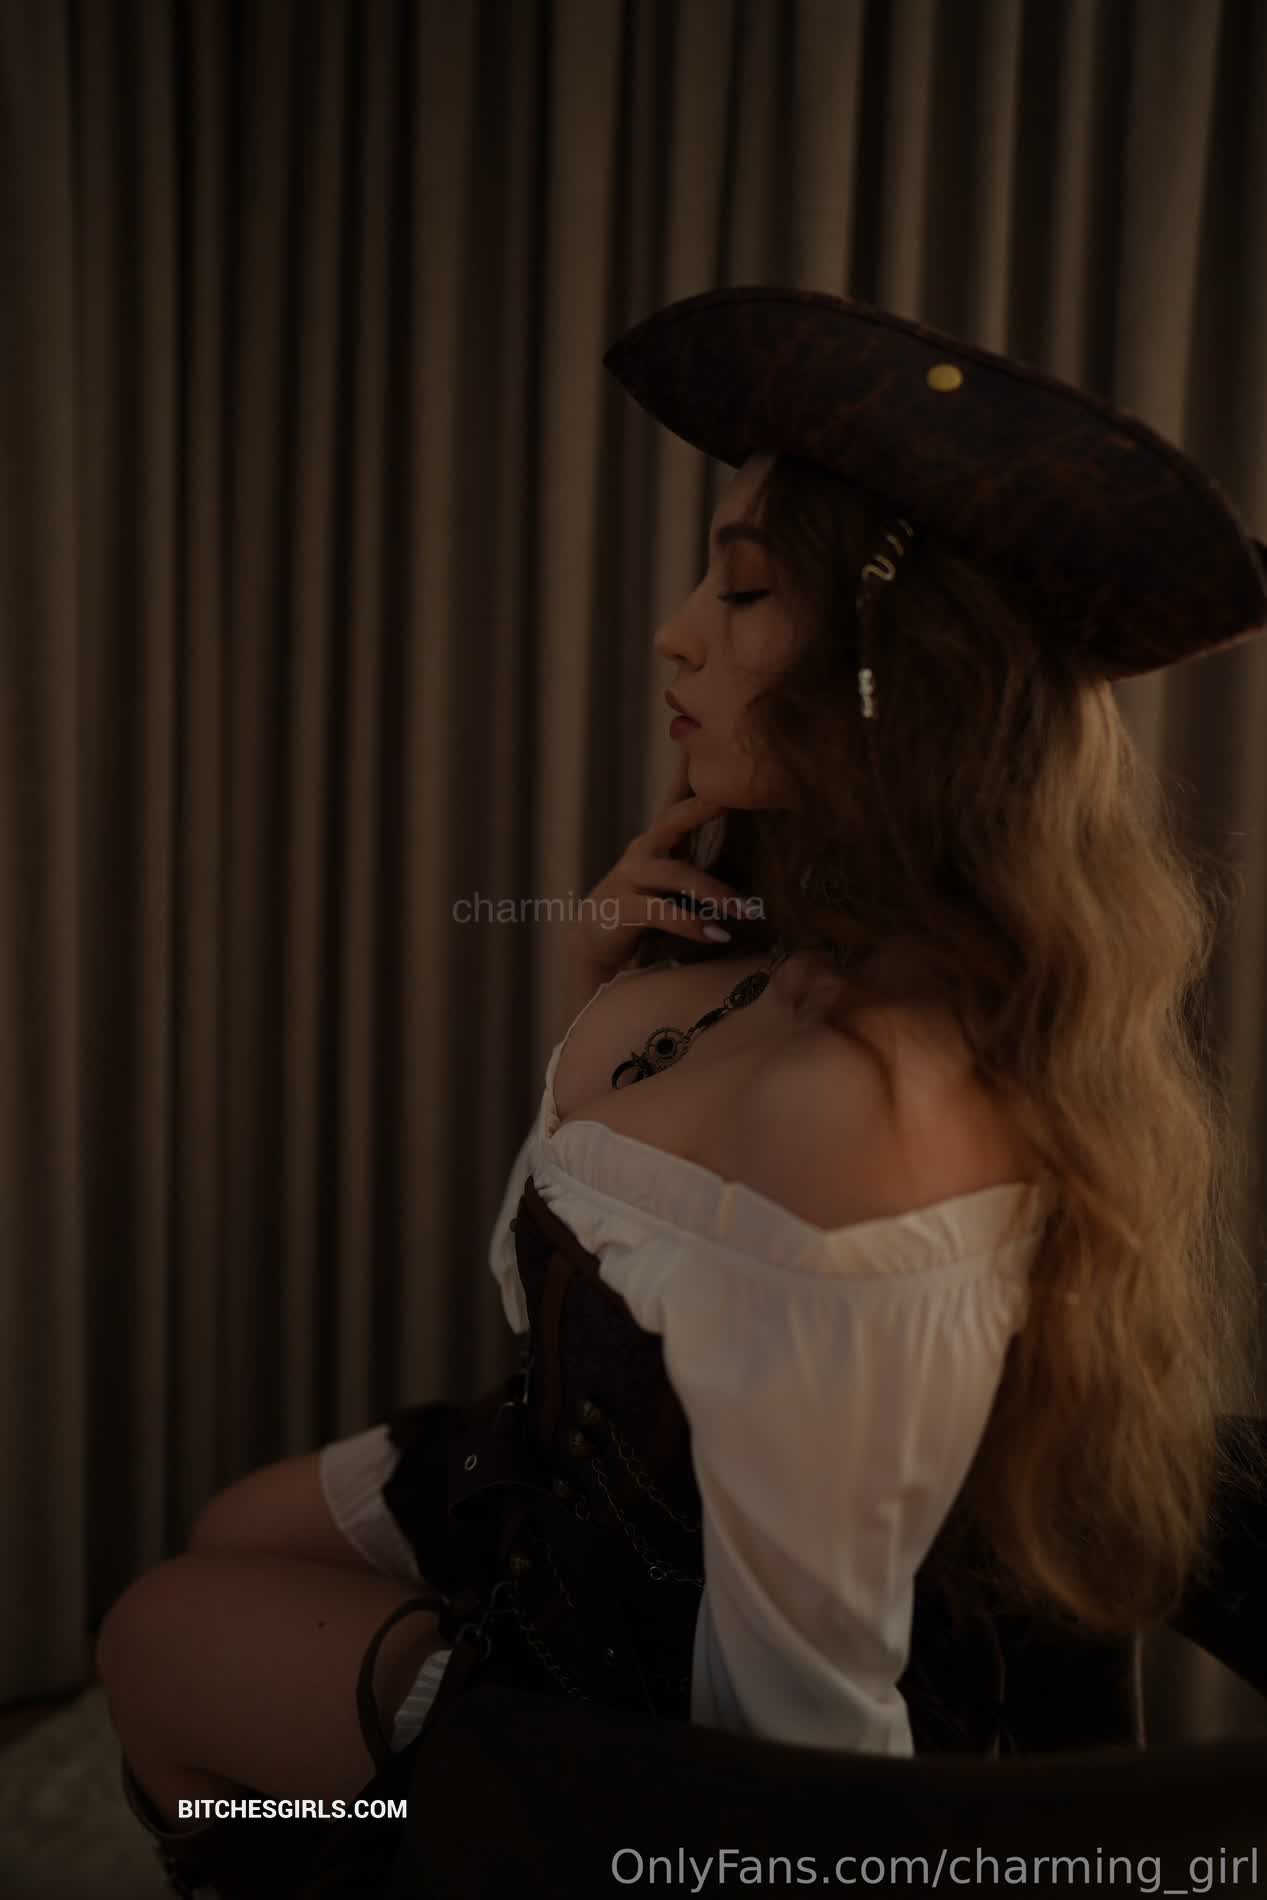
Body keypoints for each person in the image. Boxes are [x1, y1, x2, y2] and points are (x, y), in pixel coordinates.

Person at [98, 286, 1267, 1898]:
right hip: (567, 1508)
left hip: (669, 1746)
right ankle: (346, 1837)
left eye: (746, 587)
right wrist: (603, 1001)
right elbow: (585, 1315)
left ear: (895, 670)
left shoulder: (863, 1106)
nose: (676, 631)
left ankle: (363, 1851)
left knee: (158, 1637)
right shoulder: (783, 964)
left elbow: (803, 1721)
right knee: (235, 1533)